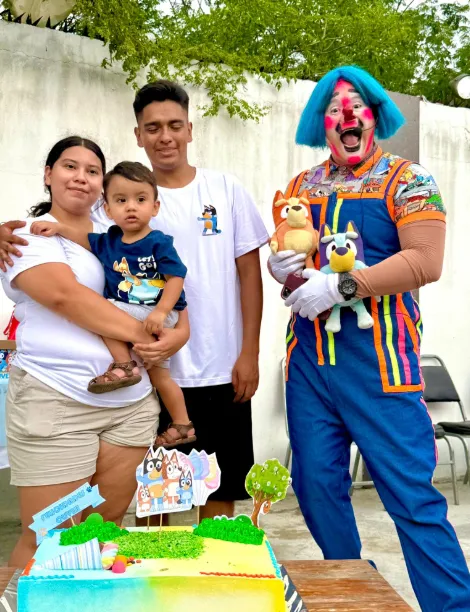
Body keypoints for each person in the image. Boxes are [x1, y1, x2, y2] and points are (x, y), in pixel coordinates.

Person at [0, 80, 268, 521]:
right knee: (154, 497)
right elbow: (70, 229)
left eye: (175, 125)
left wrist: (250, 352)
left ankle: (214, 561)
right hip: (144, 372)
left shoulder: (225, 189)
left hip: (218, 366)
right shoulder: (111, 200)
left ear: (190, 130)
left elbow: (249, 275)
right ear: (138, 135)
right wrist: (9, 231)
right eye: (153, 127)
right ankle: (149, 563)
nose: (165, 136)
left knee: (217, 489)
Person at [268, 65, 470, 611]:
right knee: (314, 487)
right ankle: (358, 590)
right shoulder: (301, 186)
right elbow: (296, 266)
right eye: (335, 109)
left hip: (382, 364)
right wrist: (284, 271)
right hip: (308, 364)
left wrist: (341, 287)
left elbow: (426, 261)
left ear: (375, 114)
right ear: (323, 122)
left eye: (357, 105)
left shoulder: (409, 179)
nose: (347, 117)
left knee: (411, 498)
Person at [0, 136, 189, 567]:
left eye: (92, 171)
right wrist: (149, 338)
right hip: (58, 401)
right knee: (48, 541)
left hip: (130, 407)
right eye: (70, 166)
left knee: (103, 534)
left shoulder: (117, 237)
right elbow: (66, 297)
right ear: (48, 174)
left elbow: (168, 292)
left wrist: (180, 333)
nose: (80, 178)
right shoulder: (26, 236)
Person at [30, 160, 195, 449]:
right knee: (161, 375)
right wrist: (57, 227)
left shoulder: (158, 243)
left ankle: (124, 365)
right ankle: (183, 424)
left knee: (104, 310)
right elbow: (83, 238)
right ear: (108, 210)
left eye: (140, 199)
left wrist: (161, 312)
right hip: (139, 317)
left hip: (159, 314)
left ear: (155, 207)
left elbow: (176, 278)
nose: (131, 207)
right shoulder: (110, 241)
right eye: (121, 200)